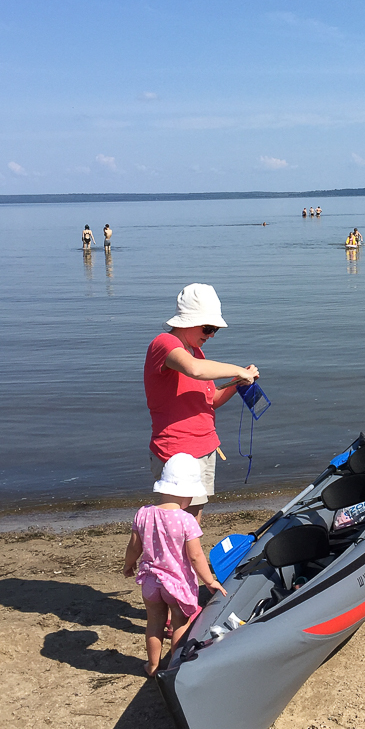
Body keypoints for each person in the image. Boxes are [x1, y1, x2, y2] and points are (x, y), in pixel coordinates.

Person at [144, 283, 259, 521]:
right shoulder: (164, 344)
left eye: (215, 329)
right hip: (177, 452)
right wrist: (238, 369)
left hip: (205, 448)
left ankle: (189, 559)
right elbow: (194, 370)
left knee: (192, 524)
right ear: (188, 321)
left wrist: (238, 382)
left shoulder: (196, 351)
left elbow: (210, 401)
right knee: (174, 524)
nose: (211, 335)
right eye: (207, 328)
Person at [123, 452, 227, 676]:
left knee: (154, 623)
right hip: (176, 585)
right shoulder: (186, 520)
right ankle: (174, 666)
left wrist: (128, 565)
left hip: (150, 583)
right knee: (179, 623)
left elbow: (134, 547)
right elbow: (196, 557)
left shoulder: (143, 514)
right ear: (187, 494)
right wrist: (209, 581)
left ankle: (152, 666)